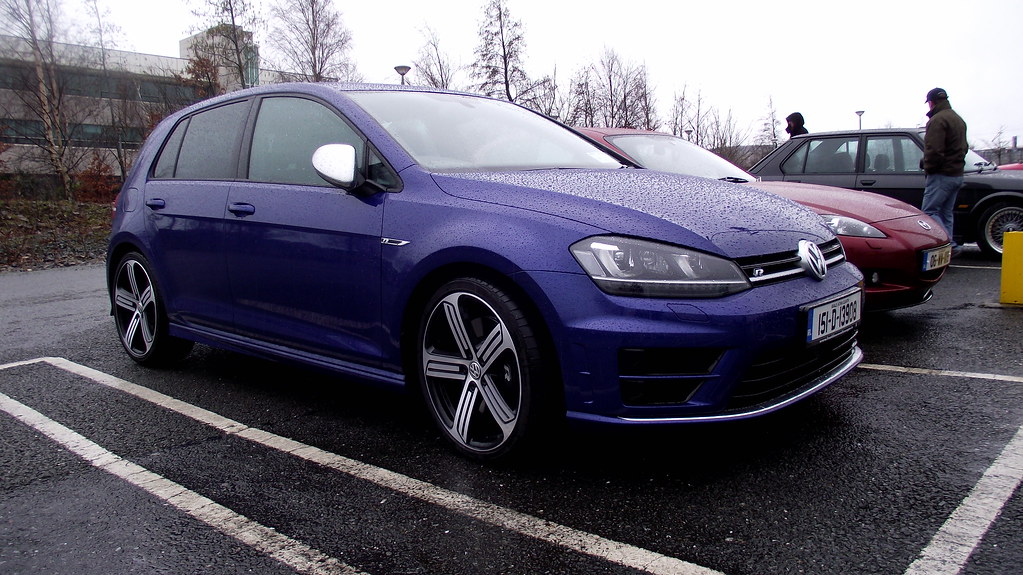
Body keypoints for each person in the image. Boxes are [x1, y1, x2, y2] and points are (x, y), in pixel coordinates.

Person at [921, 87, 968, 255]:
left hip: (941, 175)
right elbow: (964, 147)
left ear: (931, 102)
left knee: (929, 212)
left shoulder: (937, 121)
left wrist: (927, 166)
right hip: (957, 174)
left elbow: (934, 151)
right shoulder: (958, 119)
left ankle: (949, 246)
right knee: (946, 213)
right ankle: (950, 248)